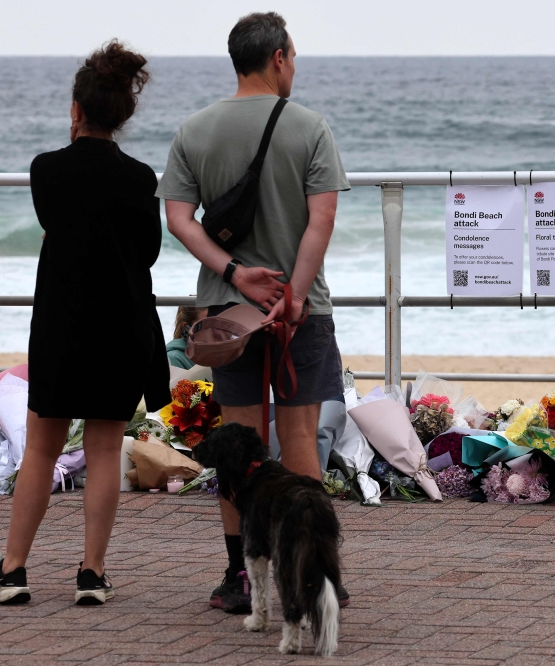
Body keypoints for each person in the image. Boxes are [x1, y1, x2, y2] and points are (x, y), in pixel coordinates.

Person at [158, 12, 351, 614]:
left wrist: (235, 273)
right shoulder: (311, 128)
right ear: (279, 58)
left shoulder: (194, 130)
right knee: (298, 436)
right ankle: (316, 576)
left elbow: (179, 219)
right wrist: (292, 293)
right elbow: (320, 220)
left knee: (238, 446)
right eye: (293, 55)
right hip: (301, 309)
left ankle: (241, 575)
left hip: (226, 314)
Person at [0, 41, 170, 606]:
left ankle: (13, 570)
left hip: (62, 324)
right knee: (106, 449)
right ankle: (92, 573)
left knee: (41, 448)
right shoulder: (138, 179)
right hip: (121, 325)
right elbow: (149, 252)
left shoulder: (47, 170)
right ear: (123, 116)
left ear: (76, 109)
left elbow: (55, 225)